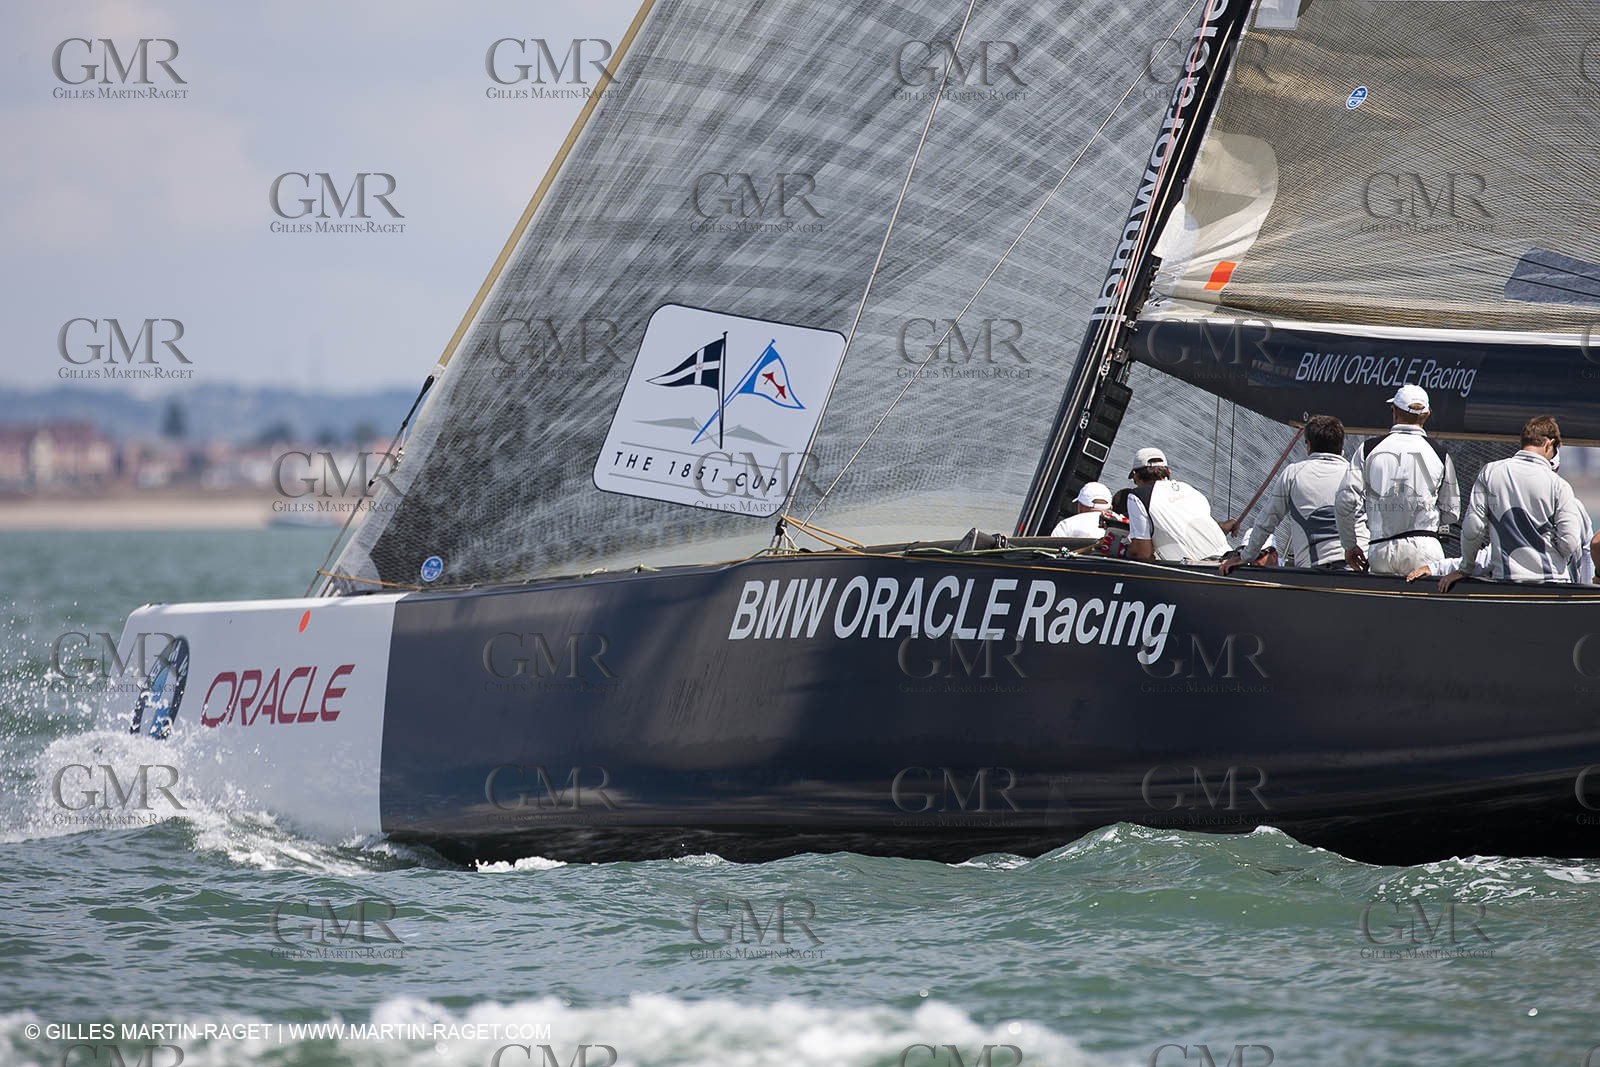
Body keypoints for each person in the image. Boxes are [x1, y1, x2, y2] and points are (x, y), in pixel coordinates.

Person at [1437, 415, 1586, 590]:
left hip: (1505, 582)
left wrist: (1465, 568)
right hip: (1552, 585)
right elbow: (1569, 542)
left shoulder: (1490, 473)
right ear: (1549, 444)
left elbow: (1473, 528)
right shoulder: (1559, 485)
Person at [1336, 384, 1460, 576]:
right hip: (1426, 550)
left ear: (1394, 412)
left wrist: (1349, 545)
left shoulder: (1369, 449)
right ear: (1427, 415)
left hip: (1381, 550)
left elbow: (1344, 501)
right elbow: (1452, 512)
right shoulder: (1440, 454)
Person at [1221, 415, 1366, 575]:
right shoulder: (1358, 474)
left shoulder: (1293, 474)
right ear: (1341, 445)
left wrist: (1246, 556)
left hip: (1315, 573)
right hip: (1360, 568)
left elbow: (1267, 521)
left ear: (1308, 445)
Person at [1124, 446, 1231, 562]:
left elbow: (1142, 553)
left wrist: (1123, 550)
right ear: (1168, 471)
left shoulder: (1137, 496)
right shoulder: (1190, 490)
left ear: (1135, 475)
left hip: (1199, 567)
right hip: (1229, 560)